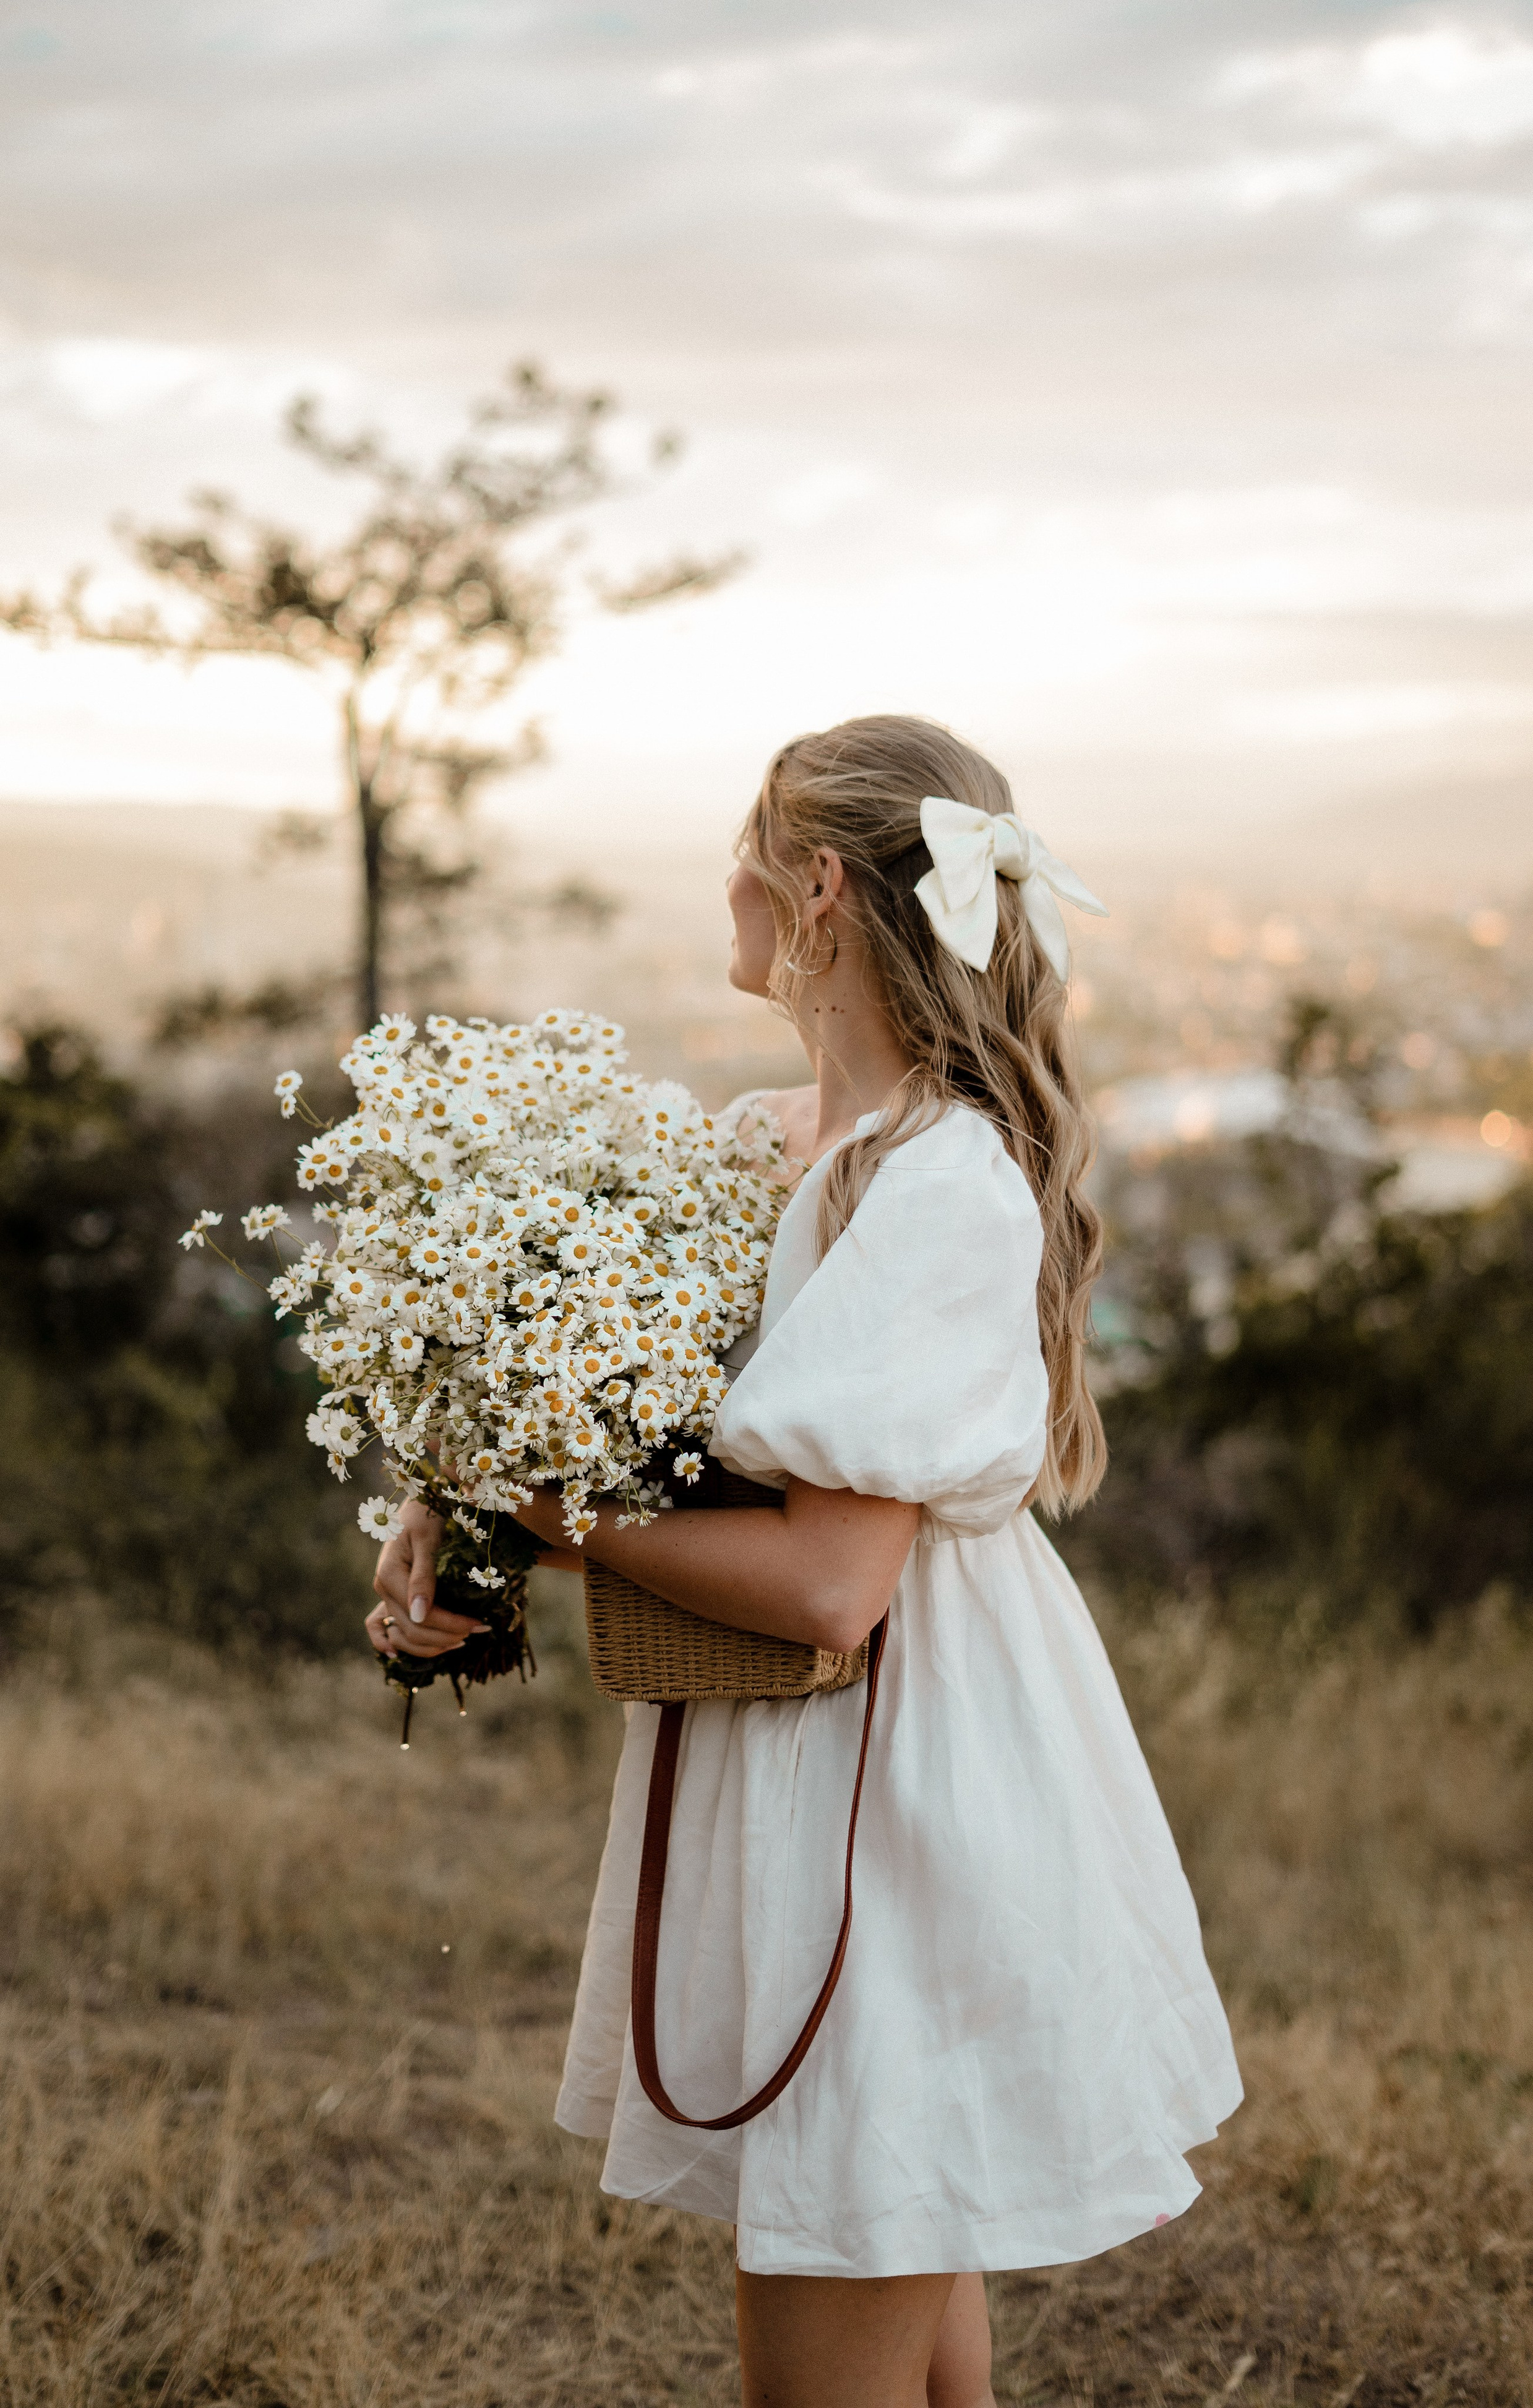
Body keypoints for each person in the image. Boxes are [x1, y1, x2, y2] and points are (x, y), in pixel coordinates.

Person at [369, 716, 1242, 2408]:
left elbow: (836, 1585)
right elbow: (633, 1429)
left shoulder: (938, 1185)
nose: (726, 883)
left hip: (893, 1773)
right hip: (826, 1749)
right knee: (904, 2275)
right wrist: (455, 1499)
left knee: (844, 2282)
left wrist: (539, 1516)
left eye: (746, 853)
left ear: (820, 889)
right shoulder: (775, 1143)